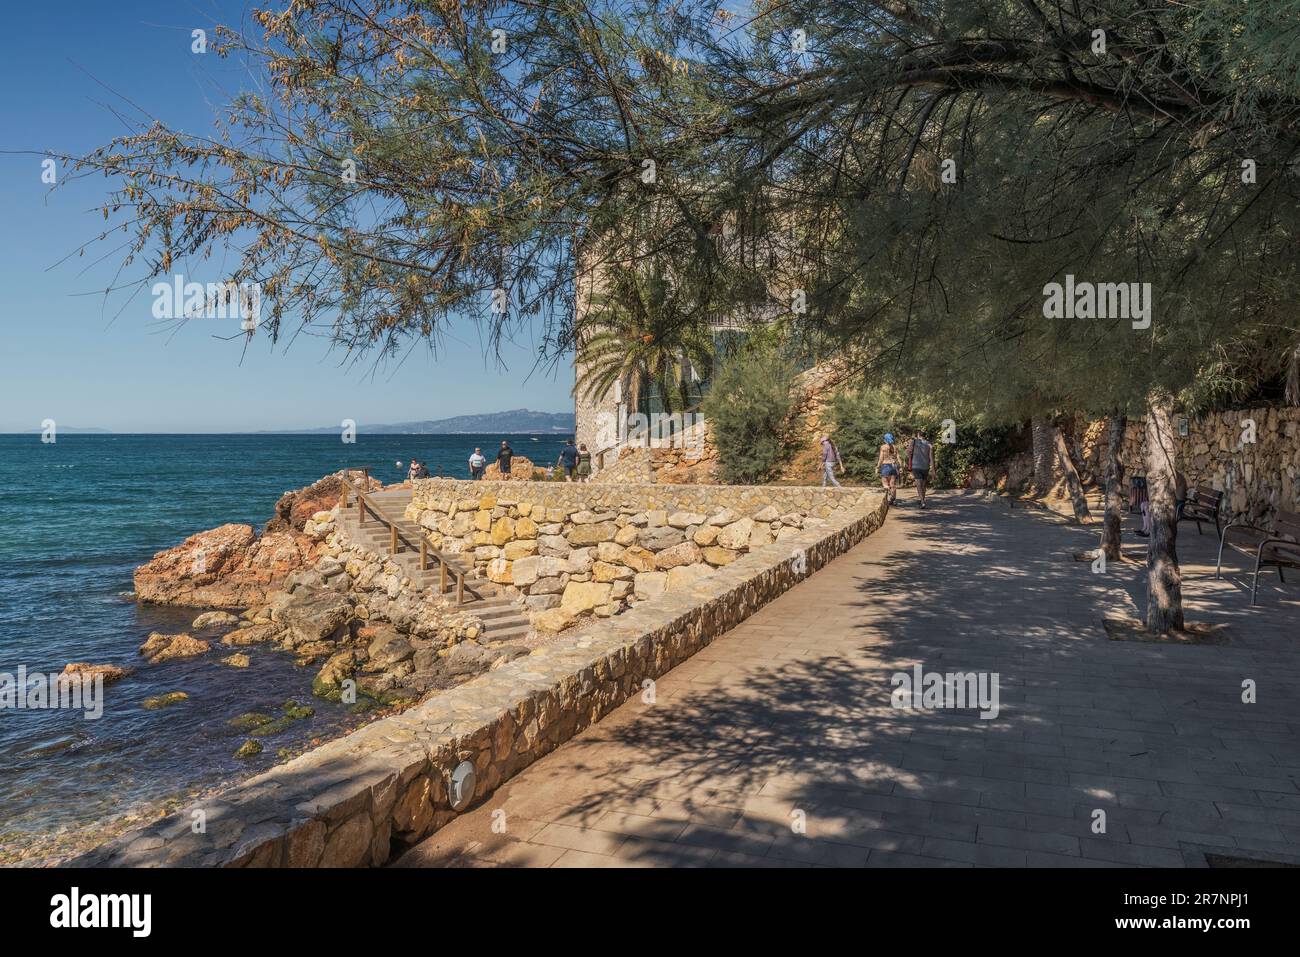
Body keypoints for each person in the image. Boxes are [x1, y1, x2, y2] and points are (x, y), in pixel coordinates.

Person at [906, 430, 934, 509]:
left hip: (916, 466)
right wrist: (933, 469)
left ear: (918, 435)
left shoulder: (913, 442)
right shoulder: (929, 444)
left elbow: (908, 452)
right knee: (923, 485)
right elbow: (931, 458)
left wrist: (909, 454)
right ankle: (922, 500)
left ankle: (922, 501)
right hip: (926, 466)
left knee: (918, 484)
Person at [878, 433, 901, 503]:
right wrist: (900, 467)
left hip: (885, 466)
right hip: (894, 466)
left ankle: (888, 496)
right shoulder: (895, 447)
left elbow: (881, 458)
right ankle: (893, 499)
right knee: (892, 484)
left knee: (885, 484)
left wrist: (877, 467)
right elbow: (899, 458)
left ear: (885, 440)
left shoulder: (883, 447)